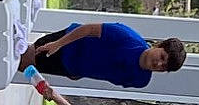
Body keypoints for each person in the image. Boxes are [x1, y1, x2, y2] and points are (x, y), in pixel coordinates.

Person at [21, 21, 185, 97]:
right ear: (159, 45)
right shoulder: (126, 36)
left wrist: (79, 73)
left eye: (164, 67)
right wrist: (57, 44)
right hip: (68, 44)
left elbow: (107, 72)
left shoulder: (141, 80)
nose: (159, 64)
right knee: (25, 56)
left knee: (25, 67)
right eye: (162, 57)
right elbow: (89, 29)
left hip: (71, 67)